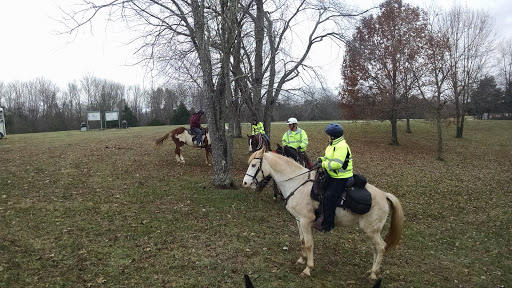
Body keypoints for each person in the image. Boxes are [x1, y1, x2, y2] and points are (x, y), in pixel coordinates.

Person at [313, 123, 353, 232]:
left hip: (341, 177)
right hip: (332, 175)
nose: (327, 137)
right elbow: (327, 157)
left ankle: (328, 224)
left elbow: (337, 164)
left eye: (328, 135)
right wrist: (321, 159)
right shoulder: (331, 145)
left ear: (333, 136)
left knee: (329, 196)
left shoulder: (342, 146)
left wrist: (324, 164)